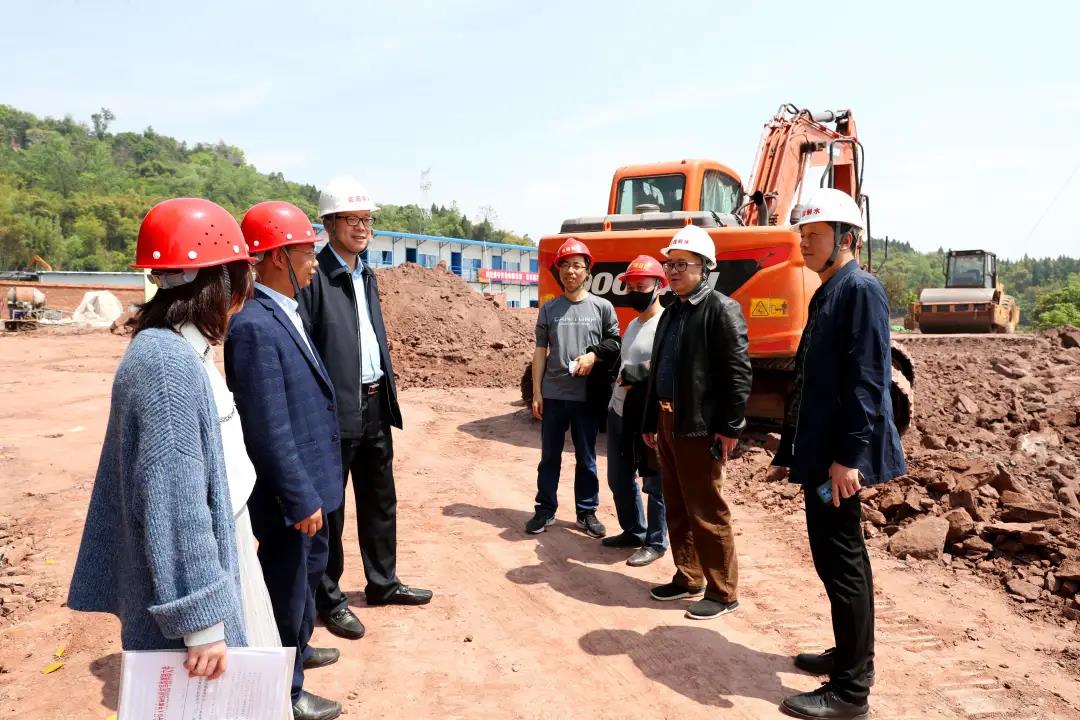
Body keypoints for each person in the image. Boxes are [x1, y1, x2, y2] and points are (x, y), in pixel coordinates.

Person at [68, 198, 257, 681]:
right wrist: (201, 621)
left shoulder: (174, 347)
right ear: (221, 281)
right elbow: (175, 499)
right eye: (242, 275)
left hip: (206, 556)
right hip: (186, 598)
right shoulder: (167, 366)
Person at [772, 189, 906, 720]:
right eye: (802, 236)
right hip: (822, 451)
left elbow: (867, 380)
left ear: (846, 238)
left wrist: (849, 458)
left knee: (844, 562)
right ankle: (846, 653)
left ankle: (851, 690)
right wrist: (791, 450)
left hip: (840, 458)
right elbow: (812, 378)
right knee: (834, 560)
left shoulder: (861, 290)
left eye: (815, 236)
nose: (804, 244)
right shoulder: (828, 290)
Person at [299, 177, 432, 643]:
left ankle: (383, 583)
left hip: (374, 403)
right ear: (329, 224)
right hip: (334, 413)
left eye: (367, 220)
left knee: (380, 500)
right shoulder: (315, 277)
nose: (362, 228)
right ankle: (330, 599)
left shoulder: (367, 275)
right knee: (331, 511)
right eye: (352, 220)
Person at [226, 201, 344, 720]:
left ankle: (300, 646)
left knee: (308, 576)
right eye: (306, 252)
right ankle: (283, 692)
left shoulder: (283, 311)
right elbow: (268, 427)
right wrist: (298, 496)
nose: (315, 262)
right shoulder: (253, 326)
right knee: (286, 587)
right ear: (277, 257)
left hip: (312, 485)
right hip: (290, 497)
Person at [642, 224, 752, 620]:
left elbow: (737, 373)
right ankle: (688, 576)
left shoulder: (721, 309)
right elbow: (658, 371)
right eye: (669, 264)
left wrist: (730, 427)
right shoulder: (671, 311)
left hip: (699, 425)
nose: (673, 271)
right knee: (676, 504)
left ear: (704, 268)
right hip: (668, 420)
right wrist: (650, 420)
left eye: (682, 264)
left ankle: (723, 593)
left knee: (706, 508)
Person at [525, 237, 620, 537]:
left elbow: (614, 343)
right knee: (549, 457)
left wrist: (593, 356)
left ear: (587, 271)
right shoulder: (549, 309)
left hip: (587, 396)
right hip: (554, 393)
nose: (570, 271)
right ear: (559, 271)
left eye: (577, 265)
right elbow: (540, 351)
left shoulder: (602, 307)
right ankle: (545, 509)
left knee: (587, 457)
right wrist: (537, 392)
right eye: (564, 265)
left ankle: (586, 511)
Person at [601, 255, 668, 566]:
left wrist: (637, 374)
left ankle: (656, 541)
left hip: (646, 415)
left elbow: (668, 365)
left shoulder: (665, 324)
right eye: (631, 288)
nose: (636, 293)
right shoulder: (633, 324)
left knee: (654, 481)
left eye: (642, 287)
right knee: (618, 476)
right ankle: (633, 530)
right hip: (619, 411)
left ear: (659, 287)